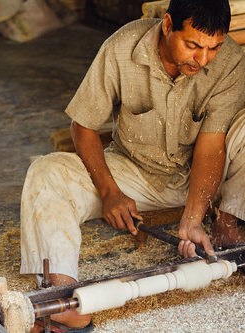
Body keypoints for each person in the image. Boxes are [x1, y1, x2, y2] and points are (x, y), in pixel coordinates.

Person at [21, 0, 245, 331]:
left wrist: (195, 217)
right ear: (168, 25)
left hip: (206, 177)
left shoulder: (229, 62)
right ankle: (62, 296)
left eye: (212, 47)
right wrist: (110, 191)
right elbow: (83, 127)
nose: (202, 58)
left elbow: (212, 147)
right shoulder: (122, 48)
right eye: (193, 45)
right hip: (135, 173)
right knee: (46, 172)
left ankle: (228, 225)